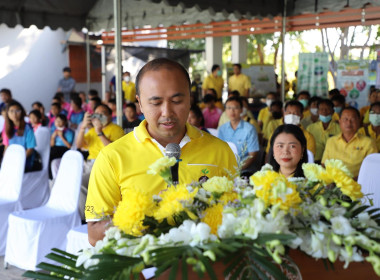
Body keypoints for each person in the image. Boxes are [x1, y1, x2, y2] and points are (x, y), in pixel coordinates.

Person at [85, 58, 237, 245]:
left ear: (190, 99)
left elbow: (236, 212)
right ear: (140, 103)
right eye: (156, 103)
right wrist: (142, 221)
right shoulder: (112, 157)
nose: (167, 112)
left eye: (177, 101)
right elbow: (94, 233)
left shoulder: (220, 151)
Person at [322, 107, 378, 179]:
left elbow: (372, 169)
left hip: (357, 185)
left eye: (353, 119)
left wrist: (349, 182)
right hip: (332, 184)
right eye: (345, 119)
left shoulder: (368, 143)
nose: (349, 123)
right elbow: (324, 165)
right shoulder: (331, 141)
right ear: (340, 121)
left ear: (359, 121)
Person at [218, 96, 259, 172]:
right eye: (229, 108)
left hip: (245, 169)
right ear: (225, 111)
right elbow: (219, 152)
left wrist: (238, 169)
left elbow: (252, 154)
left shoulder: (249, 129)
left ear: (241, 110)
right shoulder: (222, 129)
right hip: (226, 168)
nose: (232, 111)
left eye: (235, 108)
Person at [2, 100, 38, 172]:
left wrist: (18, 161)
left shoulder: (28, 128)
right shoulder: (6, 128)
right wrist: (5, 160)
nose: (14, 114)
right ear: (7, 113)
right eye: (11, 111)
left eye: (17, 111)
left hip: (25, 159)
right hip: (12, 158)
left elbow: (30, 149)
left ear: (22, 112)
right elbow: (6, 147)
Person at [306, 99, 341, 163]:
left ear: (332, 111)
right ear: (318, 111)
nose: (324, 111)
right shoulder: (310, 128)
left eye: (327, 109)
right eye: (321, 109)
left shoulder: (339, 128)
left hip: (333, 162)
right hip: (314, 161)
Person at [49, 114, 74, 178]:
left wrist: (61, 136)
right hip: (54, 148)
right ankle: (50, 177)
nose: (57, 122)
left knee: (51, 156)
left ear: (65, 122)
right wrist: (53, 137)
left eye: (60, 121)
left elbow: (69, 146)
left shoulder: (69, 131)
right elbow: (52, 145)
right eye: (56, 121)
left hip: (64, 149)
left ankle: (53, 177)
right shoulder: (54, 131)